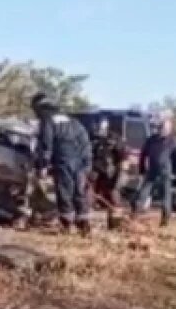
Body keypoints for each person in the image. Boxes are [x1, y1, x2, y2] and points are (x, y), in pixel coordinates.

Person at [31, 92, 93, 235]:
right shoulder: (73, 121)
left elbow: (47, 144)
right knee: (79, 191)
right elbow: (85, 143)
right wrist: (87, 164)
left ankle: (67, 224)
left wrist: (43, 165)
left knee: (65, 191)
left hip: (62, 160)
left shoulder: (48, 121)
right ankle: (83, 222)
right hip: (79, 162)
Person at [132, 115, 176, 227]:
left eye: (165, 128)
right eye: (161, 127)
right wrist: (141, 169)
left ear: (169, 129)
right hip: (152, 171)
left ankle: (165, 220)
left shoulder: (172, 141)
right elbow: (143, 155)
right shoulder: (151, 140)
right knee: (142, 193)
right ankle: (134, 215)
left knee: (165, 197)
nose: (162, 130)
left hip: (165, 172)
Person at [91, 120, 128, 228]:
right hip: (96, 173)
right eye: (99, 127)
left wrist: (120, 174)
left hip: (111, 174)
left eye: (102, 127)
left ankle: (115, 225)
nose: (100, 129)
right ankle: (85, 225)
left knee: (113, 198)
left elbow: (124, 157)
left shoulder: (116, 139)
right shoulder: (95, 141)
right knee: (88, 196)